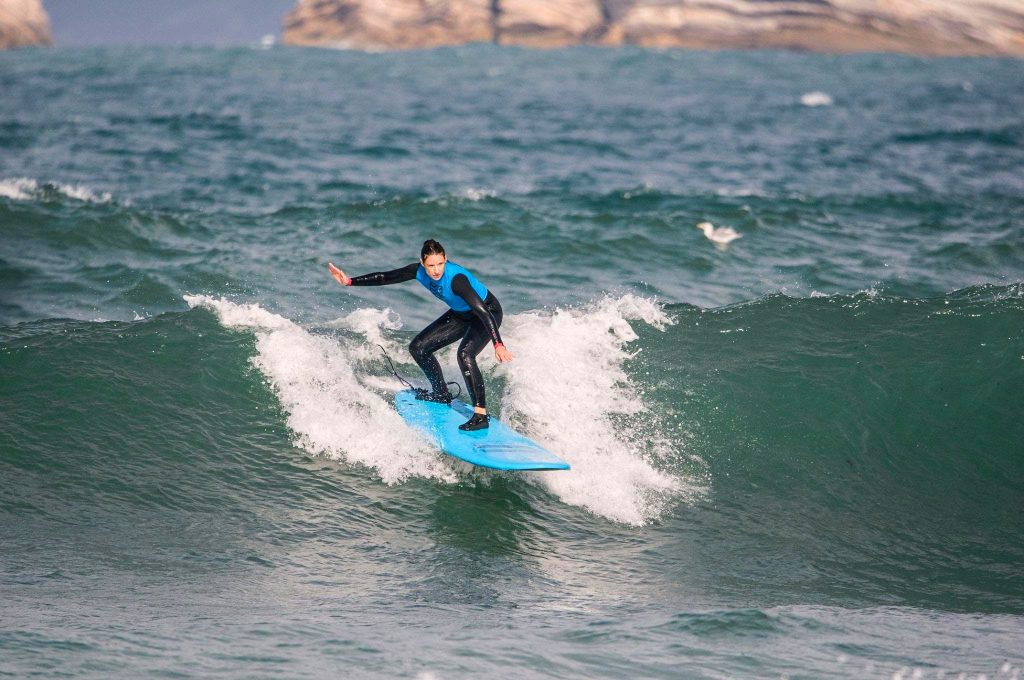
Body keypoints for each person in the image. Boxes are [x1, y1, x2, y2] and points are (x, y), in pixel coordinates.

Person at [328, 239, 513, 431]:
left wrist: (498, 344)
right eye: (431, 265)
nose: (436, 270)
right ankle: (441, 393)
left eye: (440, 264)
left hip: (487, 312)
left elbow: (482, 311)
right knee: (419, 348)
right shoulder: (417, 271)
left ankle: (480, 416)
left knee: (465, 354)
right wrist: (349, 281)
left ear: (446, 259)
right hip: (461, 313)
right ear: (422, 263)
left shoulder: (456, 280)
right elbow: (386, 277)